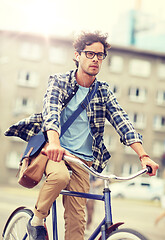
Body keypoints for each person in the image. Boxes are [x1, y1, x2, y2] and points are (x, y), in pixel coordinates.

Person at [5, 31, 159, 240]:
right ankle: (37, 220)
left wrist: (143, 155)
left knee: (77, 222)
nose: (95, 59)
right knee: (60, 177)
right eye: (90, 53)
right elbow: (51, 112)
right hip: (56, 152)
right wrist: (54, 143)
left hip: (84, 162)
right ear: (77, 55)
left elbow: (123, 123)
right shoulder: (59, 82)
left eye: (100, 55)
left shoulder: (103, 92)